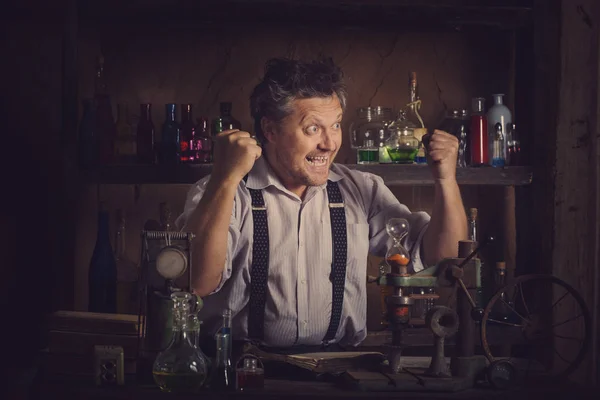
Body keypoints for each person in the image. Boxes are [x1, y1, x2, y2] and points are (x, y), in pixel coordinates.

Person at [176, 58, 467, 351]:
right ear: (270, 130)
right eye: (313, 129)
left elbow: (444, 258)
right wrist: (224, 180)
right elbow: (196, 283)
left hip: (337, 371)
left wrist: (446, 179)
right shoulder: (225, 192)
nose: (330, 144)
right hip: (242, 373)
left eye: (336, 125)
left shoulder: (361, 189)